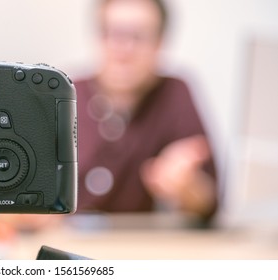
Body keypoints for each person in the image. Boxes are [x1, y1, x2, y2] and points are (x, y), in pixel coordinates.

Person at [76, 0, 218, 222]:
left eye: (138, 36)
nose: (123, 49)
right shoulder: (66, 94)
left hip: (140, 248)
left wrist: (186, 188)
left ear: (159, 43)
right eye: (113, 33)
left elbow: (210, 202)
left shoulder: (175, 92)